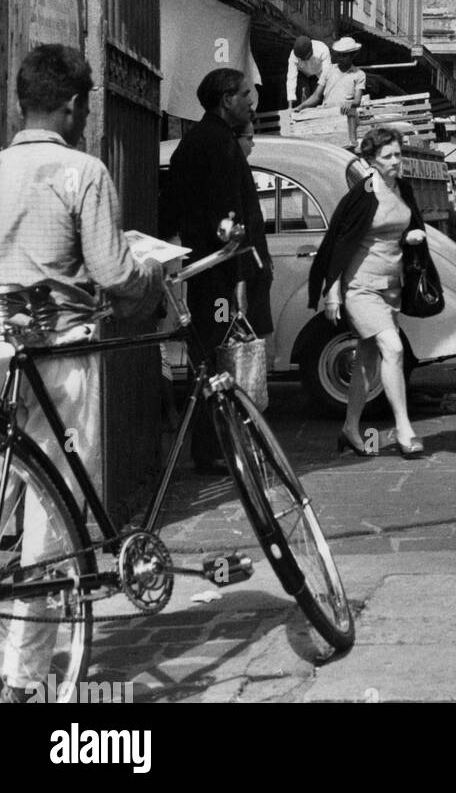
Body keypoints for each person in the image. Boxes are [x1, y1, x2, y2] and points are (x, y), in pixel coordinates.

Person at [0, 45, 164, 703]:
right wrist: (151, 276)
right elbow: (115, 273)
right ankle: (23, 675)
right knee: (51, 512)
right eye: (85, 107)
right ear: (73, 107)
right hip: (57, 353)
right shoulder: (82, 171)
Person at [167, 68, 273, 473]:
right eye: (246, 94)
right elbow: (227, 222)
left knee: (215, 355)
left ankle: (218, 445)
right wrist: (241, 280)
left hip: (215, 273)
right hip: (218, 276)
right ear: (226, 99)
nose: (251, 101)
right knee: (216, 357)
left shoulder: (203, 141)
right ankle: (212, 450)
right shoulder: (215, 145)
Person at [307, 128, 426, 458]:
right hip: (360, 287)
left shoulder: (403, 189)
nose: (395, 162)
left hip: (392, 287)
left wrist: (411, 236)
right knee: (394, 348)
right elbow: (338, 244)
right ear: (370, 161)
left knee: (367, 361)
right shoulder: (361, 195)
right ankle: (404, 429)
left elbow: (411, 225)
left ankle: (350, 427)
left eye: (398, 155)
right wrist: (332, 292)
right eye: (387, 157)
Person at [297, 36, 366, 144]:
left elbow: (357, 101)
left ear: (352, 55)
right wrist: (301, 106)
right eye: (339, 54)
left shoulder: (359, 74)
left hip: (345, 115)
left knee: (351, 118)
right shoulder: (328, 70)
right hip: (328, 113)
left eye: (344, 55)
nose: (340, 58)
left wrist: (350, 103)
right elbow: (316, 96)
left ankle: (352, 140)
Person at [287, 35, 331, 108]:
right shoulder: (294, 55)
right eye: (301, 59)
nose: (303, 60)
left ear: (311, 51)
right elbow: (291, 78)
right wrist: (290, 107)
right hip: (303, 74)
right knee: (304, 97)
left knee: (317, 99)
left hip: (319, 75)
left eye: (305, 58)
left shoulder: (322, 50)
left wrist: (318, 95)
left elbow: (326, 76)